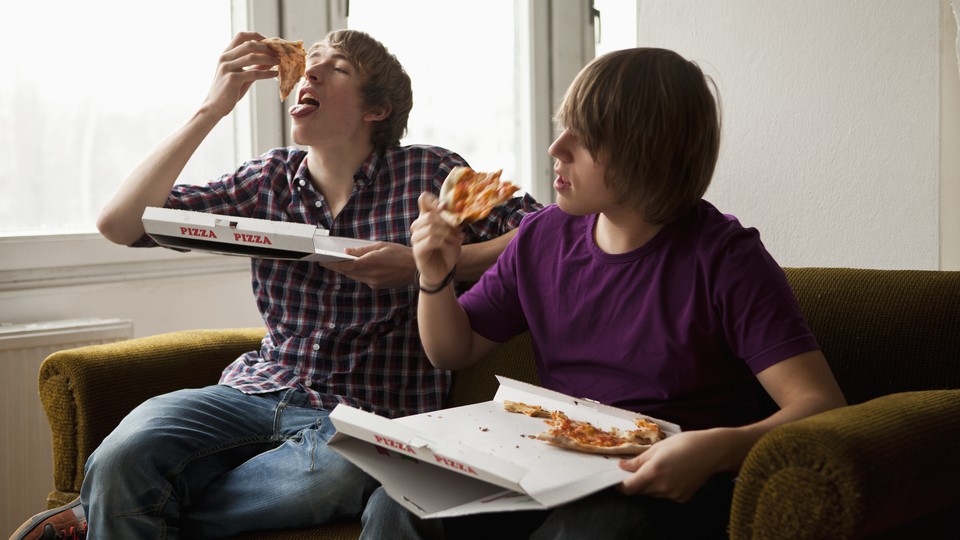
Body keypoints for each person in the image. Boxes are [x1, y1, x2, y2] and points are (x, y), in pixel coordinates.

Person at [11, 29, 540, 540]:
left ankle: (108, 512)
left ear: (375, 110)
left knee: (334, 476)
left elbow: (548, 235)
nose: (309, 72)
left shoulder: (431, 172)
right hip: (253, 390)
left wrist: (427, 266)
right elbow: (120, 225)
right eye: (309, 62)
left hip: (367, 416)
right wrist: (212, 108)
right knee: (124, 452)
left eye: (336, 68)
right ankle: (117, 499)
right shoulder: (266, 180)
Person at [359, 47, 847, 539]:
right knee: (395, 505)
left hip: (665, 483)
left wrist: (718, 448)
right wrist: (434, 274)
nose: (557, 148)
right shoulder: (542, 237)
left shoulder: (725, 257)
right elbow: (452, 350)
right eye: (563, 126)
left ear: (647, 150)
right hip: (553, 466)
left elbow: (821, 404)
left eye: (584, 137)